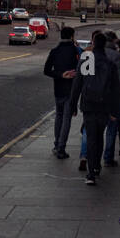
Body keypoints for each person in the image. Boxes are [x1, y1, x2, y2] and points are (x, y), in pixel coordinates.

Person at [69, 31, 118, 186]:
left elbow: (77, 84)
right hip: (104, 105)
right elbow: (115, 88)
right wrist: (114, 110)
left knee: (91, 138)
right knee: (99, 136)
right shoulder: (110, 64)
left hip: (88, 104)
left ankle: (91, 174)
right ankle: (96, 166)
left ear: (94, 43)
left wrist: (73, 106)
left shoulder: (86, 60)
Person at [43, 27, 79, 159]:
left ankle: (56, 144)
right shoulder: (75, 51)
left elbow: (46, 70)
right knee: (66, 119)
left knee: (59, 116)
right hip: (71, 89)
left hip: (58, 88)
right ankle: (61, 148)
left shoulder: (55, 51)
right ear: (71, 36)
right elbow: (81, 70)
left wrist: (60, 75)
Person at [101, 32, 120, 166]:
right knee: (111, 130)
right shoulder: (116, 56)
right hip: (112, 99)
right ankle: (108, 158)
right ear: (113, 42)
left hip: (95, 98)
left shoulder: (91, 54)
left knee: (94, 131)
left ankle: (89, 158)